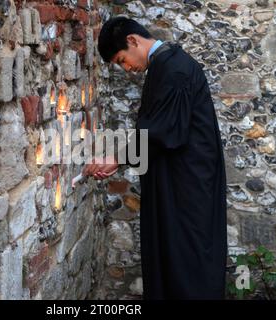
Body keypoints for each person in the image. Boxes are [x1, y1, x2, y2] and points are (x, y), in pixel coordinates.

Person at [83, 17, 227, 299]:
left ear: (133, 41)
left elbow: (162, 131)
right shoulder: (166, 65)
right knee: (172, 255)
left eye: (123, 60)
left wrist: (118, 157)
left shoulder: (174, 69)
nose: (127, 69)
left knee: (187, 259)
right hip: (176, 183)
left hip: (187, 188)